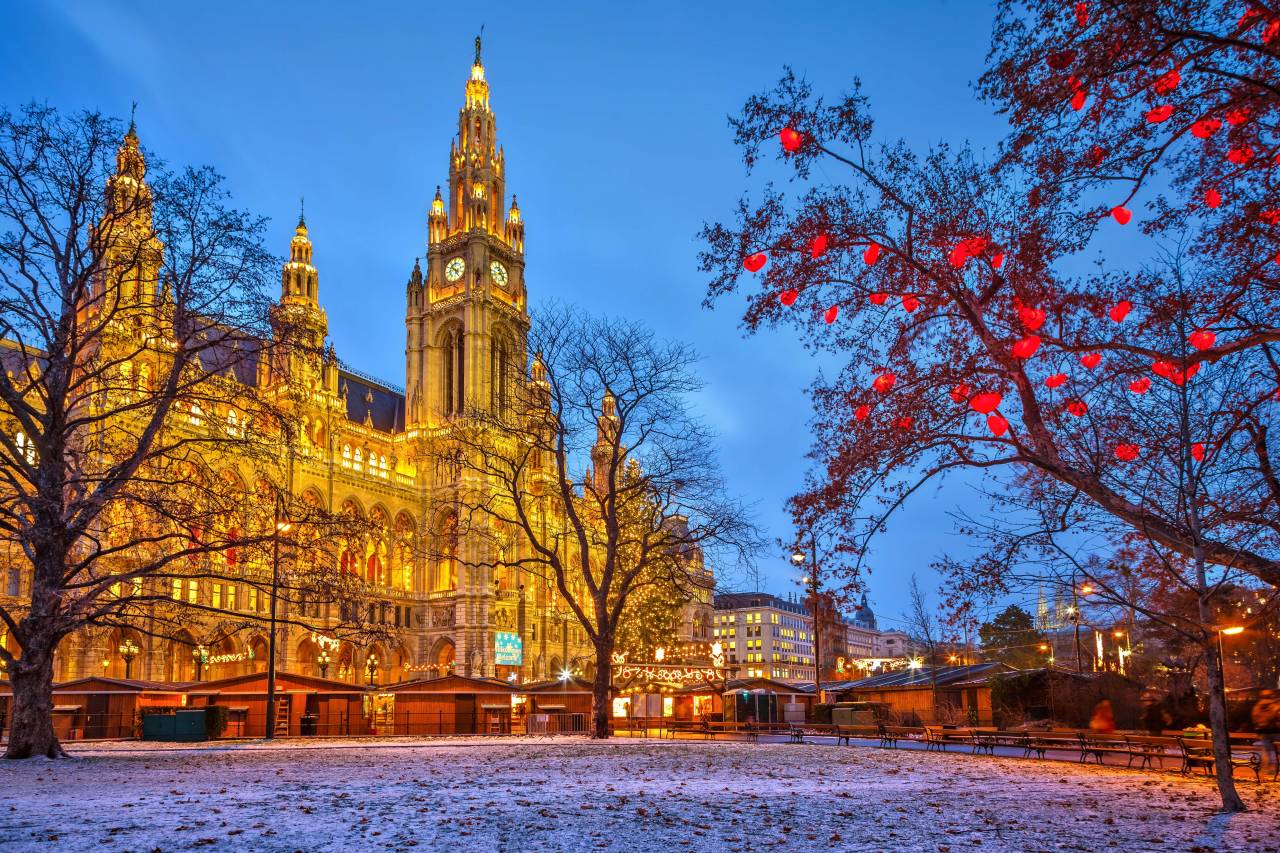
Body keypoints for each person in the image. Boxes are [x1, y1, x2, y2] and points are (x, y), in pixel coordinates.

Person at [1252, 689, 1279, 766]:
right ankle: (1274, 765)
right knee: (1272, 748)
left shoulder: (1257, 706)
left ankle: (1269, 765)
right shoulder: (1275, 704)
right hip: (1275, 730)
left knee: (1267, 749)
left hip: (1263, 731)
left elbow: (1254, 718)